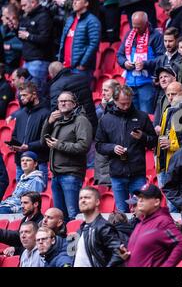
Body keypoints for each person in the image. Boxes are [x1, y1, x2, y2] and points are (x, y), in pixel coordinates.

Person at [95, 85, 157, 213]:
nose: (126, 106)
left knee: (141, 210)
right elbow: (99, 145)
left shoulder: (142, 117)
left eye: (128, 103)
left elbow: (154, 141)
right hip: (117, 173)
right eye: (122, 104)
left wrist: (143, 137)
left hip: (137, 172)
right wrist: (112, 148)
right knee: (122, 212)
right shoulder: (105, 119)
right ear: (115, 101)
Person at [41, 91, 93, 221]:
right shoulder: (58, 121)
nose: (62, 103)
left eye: (66, 101)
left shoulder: (81, 120)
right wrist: (49, 122)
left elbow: (83, 146)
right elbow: (43, 142)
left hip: (71, 175)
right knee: (59, 217)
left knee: (73, 215)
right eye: (60, 101)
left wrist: (59, 145)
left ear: (74, 104)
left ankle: (75, 240)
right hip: (56, 175)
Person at [118, 183, 182, 267]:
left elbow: (181, 245)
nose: (140, 200)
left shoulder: (163, 222)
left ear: (157, 202)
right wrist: (126, 255)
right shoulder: (142, 222)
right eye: (139, 197)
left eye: (145, 198)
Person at [117, 11, 164, 114]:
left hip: (147, 83)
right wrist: (124, 63)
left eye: (139, 27)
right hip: (130, 83)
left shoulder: (156, 36)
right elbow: (119, 55)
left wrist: (145, 64)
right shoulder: (129, 34)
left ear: (146, 23)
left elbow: (162, 58)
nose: (135, 30)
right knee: (130, 115)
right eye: (134, 26)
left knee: (146, 115)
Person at [9, 82, 50, 183]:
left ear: (34, 95)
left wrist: (28, 146)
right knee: (21, 197)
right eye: (20, 95)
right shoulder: (20, 114)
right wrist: (14, 145)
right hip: (21, 163)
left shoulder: (45, 114)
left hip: (38, 163)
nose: (21, 98)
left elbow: (46, 139)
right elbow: (15, 135)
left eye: (24, 95)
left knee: (36, 196)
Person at [74, 186, 123, 267]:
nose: (83, 200)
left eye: (87, 197)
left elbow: (119, 253)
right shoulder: (81, 229)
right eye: (80, 198)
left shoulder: (103, 226)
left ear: (97, 202)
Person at [58, 0, 101, 78]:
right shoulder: (70, 19)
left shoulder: (92, 21)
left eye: (77, 0)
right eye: (73, 0)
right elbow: (63, 41)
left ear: (86, 3)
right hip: (66, 66)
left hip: (80, 69)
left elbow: (93, 44)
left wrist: (83, 64)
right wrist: (60, 60)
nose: (74, 2)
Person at [48, 61, 98, 134]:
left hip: (73, 128)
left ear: (51, 74)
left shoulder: (56, 86)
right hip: (91, 121)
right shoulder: (82, 78)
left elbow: (56, 109)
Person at [18, 0, 53, 92]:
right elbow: (21, 36)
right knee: (24, 93)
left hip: (39, 61)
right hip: (27, 60)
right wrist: (15, 29)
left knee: (35, 92)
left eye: (24, 5)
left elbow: (45, 39)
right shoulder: (26, 16)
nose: (22, 8)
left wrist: (29, 36)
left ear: (33, 2)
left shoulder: (44, 16)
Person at [155, 81, 182, 193]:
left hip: (178, 166)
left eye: (174, 94)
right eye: (168, 95)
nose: (171, 97)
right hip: (164, 163)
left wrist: (171, 144)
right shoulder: (167, 111)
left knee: (175, 204)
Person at [0, 192, 43, 256]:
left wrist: (16, 249)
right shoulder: (25, 219)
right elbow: (18, 237)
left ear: (35, 204)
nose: (22, 206)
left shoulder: (41, 223)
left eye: (25, 203)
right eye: (21, 203)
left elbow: (36, 246)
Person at [94, 79, 120, 186]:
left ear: (115, 91)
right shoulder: (103, 107)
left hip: (111, 155)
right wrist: (102, 107)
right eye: (102, 90)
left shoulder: (121, 107)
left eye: (106, 90)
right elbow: (94, 120)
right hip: (102, 156)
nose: (103, 93)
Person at [1, 3, 22, 74]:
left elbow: (25, 45)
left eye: (5, 16)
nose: (2, 18)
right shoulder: (4, 27)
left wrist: (10, 47)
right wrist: (4, 26)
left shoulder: (20, 26)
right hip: (4, 61)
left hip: (14, 63)